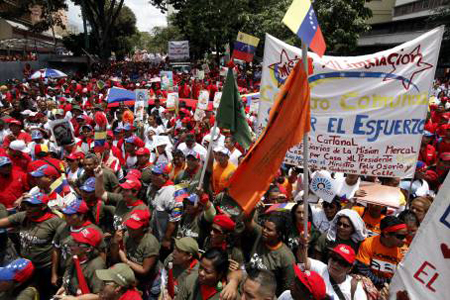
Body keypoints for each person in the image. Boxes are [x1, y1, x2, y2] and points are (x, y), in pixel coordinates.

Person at [0, 193, 64, 299]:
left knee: (45, 295)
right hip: (25, 267)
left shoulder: (55, 222)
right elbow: (3, 222)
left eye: (32, 206)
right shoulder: (24, 216)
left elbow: (57, 249)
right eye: (27, 205)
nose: (28, 208)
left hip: (44, 268)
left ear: (43, 207)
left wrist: (54, 274)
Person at [111, 209, 160, 300]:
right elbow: (114, 258)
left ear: (143, 228)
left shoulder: (150, 243)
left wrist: (126, 261)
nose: (130, 229)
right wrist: (115, 242)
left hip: (148, 283)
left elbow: (144, 270)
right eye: (129, 226)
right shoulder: (127, 236)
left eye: (134, 227)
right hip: (133, 281)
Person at [244, 213, 296, 296]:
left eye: (269, 230)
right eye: (264, 227)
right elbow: (247, 221)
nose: (264, 231)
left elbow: (288, 289)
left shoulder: (286, 257)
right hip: (247, 288)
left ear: (278, 234)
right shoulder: (260, 236)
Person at [297, 243, 367, 300]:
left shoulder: (354, 288)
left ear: (349, 268)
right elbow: (303, 261)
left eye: (342, 262)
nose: (335, 264)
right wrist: (302, 245)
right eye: (334, 258)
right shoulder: (322, 269)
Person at [355, 216, 408, 288]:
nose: (405, 240)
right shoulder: (368, 244)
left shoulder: (405, 252)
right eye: (400, 237)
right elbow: (363, 271)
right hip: (369, 285)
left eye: (406, 236)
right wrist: (383, 282)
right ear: (386, 234)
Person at [55, 227, 105, 299]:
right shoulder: (75, 258)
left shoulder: (96, 266)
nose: (71, 245)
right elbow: (68, 278)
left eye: (77, 243)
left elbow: (99, 296)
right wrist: (63, 288)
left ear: (88, 249)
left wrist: (75, 299)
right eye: (73, 241)